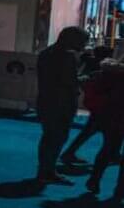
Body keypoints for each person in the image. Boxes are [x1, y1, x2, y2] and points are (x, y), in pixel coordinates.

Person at [35, 26, 87, 184]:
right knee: (58, 137)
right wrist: (85, 79)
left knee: (48, 136)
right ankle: (48, 170)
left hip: (45, 99)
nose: (84, 45)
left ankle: (45, 169)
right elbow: (69, 81)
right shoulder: (67, 57)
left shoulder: (46, 53)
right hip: (62, 102)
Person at [61, 43, 111, 165]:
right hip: (101, 104)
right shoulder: (101, 69)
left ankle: (69, 153)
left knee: (93, 130)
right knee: (99, 131)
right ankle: (69, 153)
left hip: (97, 103)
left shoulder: (92, 64)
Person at [85, 61, 124, 197]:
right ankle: (120, 190)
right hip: (118, 115)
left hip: (110, 116)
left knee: (107, 149)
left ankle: (94, 179)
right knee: (111, 150)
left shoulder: (113, 73)